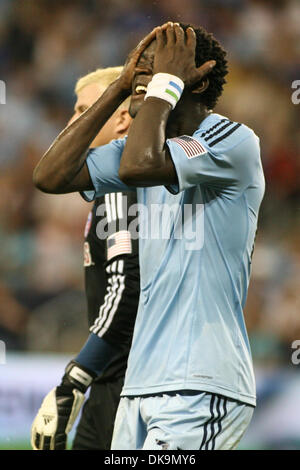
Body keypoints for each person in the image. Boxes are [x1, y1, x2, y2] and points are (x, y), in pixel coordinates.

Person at [33, 22, 265, 450]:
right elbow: (50, 175)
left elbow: (140, 165)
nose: (144, 79)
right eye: (138, 70)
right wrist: (118, 87)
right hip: (139, 388)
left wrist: (162, 86)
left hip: (200, 382)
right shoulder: (138, 149)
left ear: (196, 79)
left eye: (155, 70)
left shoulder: (231, 141)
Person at [31, 67, 140, 450]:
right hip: (112, 383)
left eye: (84, 110)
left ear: (122, 120)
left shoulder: (119, 188)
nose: (73, 123)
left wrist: (74, 378)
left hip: (128, 388)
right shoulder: (111, 189)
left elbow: (126, 291)